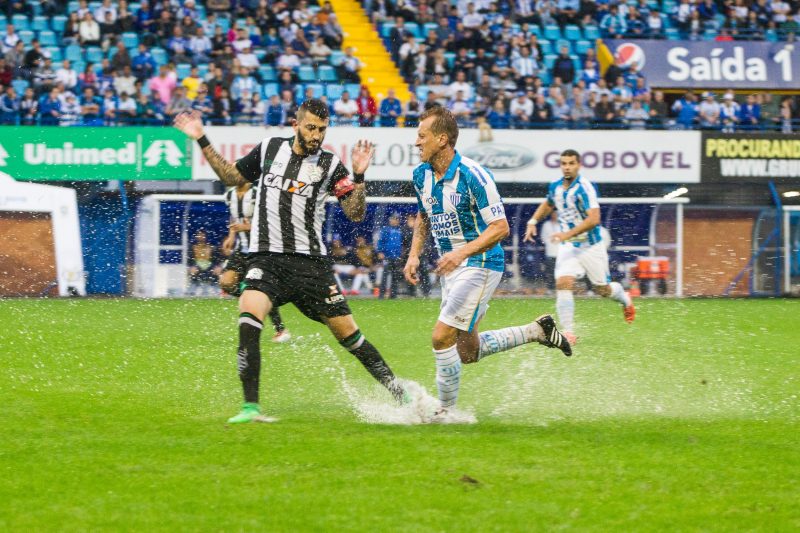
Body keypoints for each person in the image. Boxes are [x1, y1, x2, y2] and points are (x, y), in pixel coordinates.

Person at [174, 100, 408, 423]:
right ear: (295, 125)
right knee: (248, 315)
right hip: (267, 259)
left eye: (322, 130)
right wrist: (201, 138)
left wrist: (359, 175)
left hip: (311, 266)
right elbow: (230, 175)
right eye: (311, 127)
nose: (316, 135)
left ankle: (402, 394)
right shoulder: (269, 149)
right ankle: (251, 408)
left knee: (349, 336)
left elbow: (355, 213)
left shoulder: (329, 164)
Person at [403, 106, 572, 422]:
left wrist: (460, 253)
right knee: (467, 352)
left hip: (480, 263)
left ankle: (445, 411)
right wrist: (414, 255)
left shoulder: (474, 175)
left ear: (442, 139)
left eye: (422, 136)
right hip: (453, 268)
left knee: (441, 336)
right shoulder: (420, 175)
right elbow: (423, 216)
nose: (416, 142)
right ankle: (536, 331)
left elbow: (500, 228)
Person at [524, 149, 636, 345]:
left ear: (579, 165)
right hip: (569, 246)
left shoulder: (585, 188)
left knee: (602, 290)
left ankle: (625, 298)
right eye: (564, 163)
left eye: (571, 163)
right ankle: (568, 332)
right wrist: (532, 221)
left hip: (591, 246)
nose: (567, 167)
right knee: (563, 283)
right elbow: (549, 203)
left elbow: (594, 219)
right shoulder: (555, 186)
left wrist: (566, 234)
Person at [220, 183, 291, 343]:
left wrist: (248, 227)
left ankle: (280, 329)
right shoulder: (229, 195)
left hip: (259, 250)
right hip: (241, 249)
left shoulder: (258, 194)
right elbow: (234, 218)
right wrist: (231, 236)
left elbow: (272, 222)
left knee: (261, 289)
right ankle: (251, 299)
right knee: (226, 283)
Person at [376, 213, 404, 299]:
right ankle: (381, 294)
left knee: (395, 275)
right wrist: (380, 251)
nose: (395, 221)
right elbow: (381, 241)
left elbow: (402, 243)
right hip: (387, 256)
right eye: (393, 219)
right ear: (390, 220)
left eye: (396, 219)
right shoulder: (386, 230)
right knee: (385, 275)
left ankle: (393, 294)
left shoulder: (401, 230)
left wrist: (401, 253)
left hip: (397, 256)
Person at [188, 229, 221, 296]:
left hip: (209, 267)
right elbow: (189, 261)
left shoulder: (211, 248)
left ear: (205, 236)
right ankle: (192, 290)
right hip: (197, 267)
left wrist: (217, 267)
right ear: (196, 237)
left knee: (215, 271)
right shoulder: (193, 248)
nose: (201, 237)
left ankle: (216, 290)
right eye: (199, 235)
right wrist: (191, 267)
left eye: (202, 235)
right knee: (194, 271)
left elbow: (216, 260)